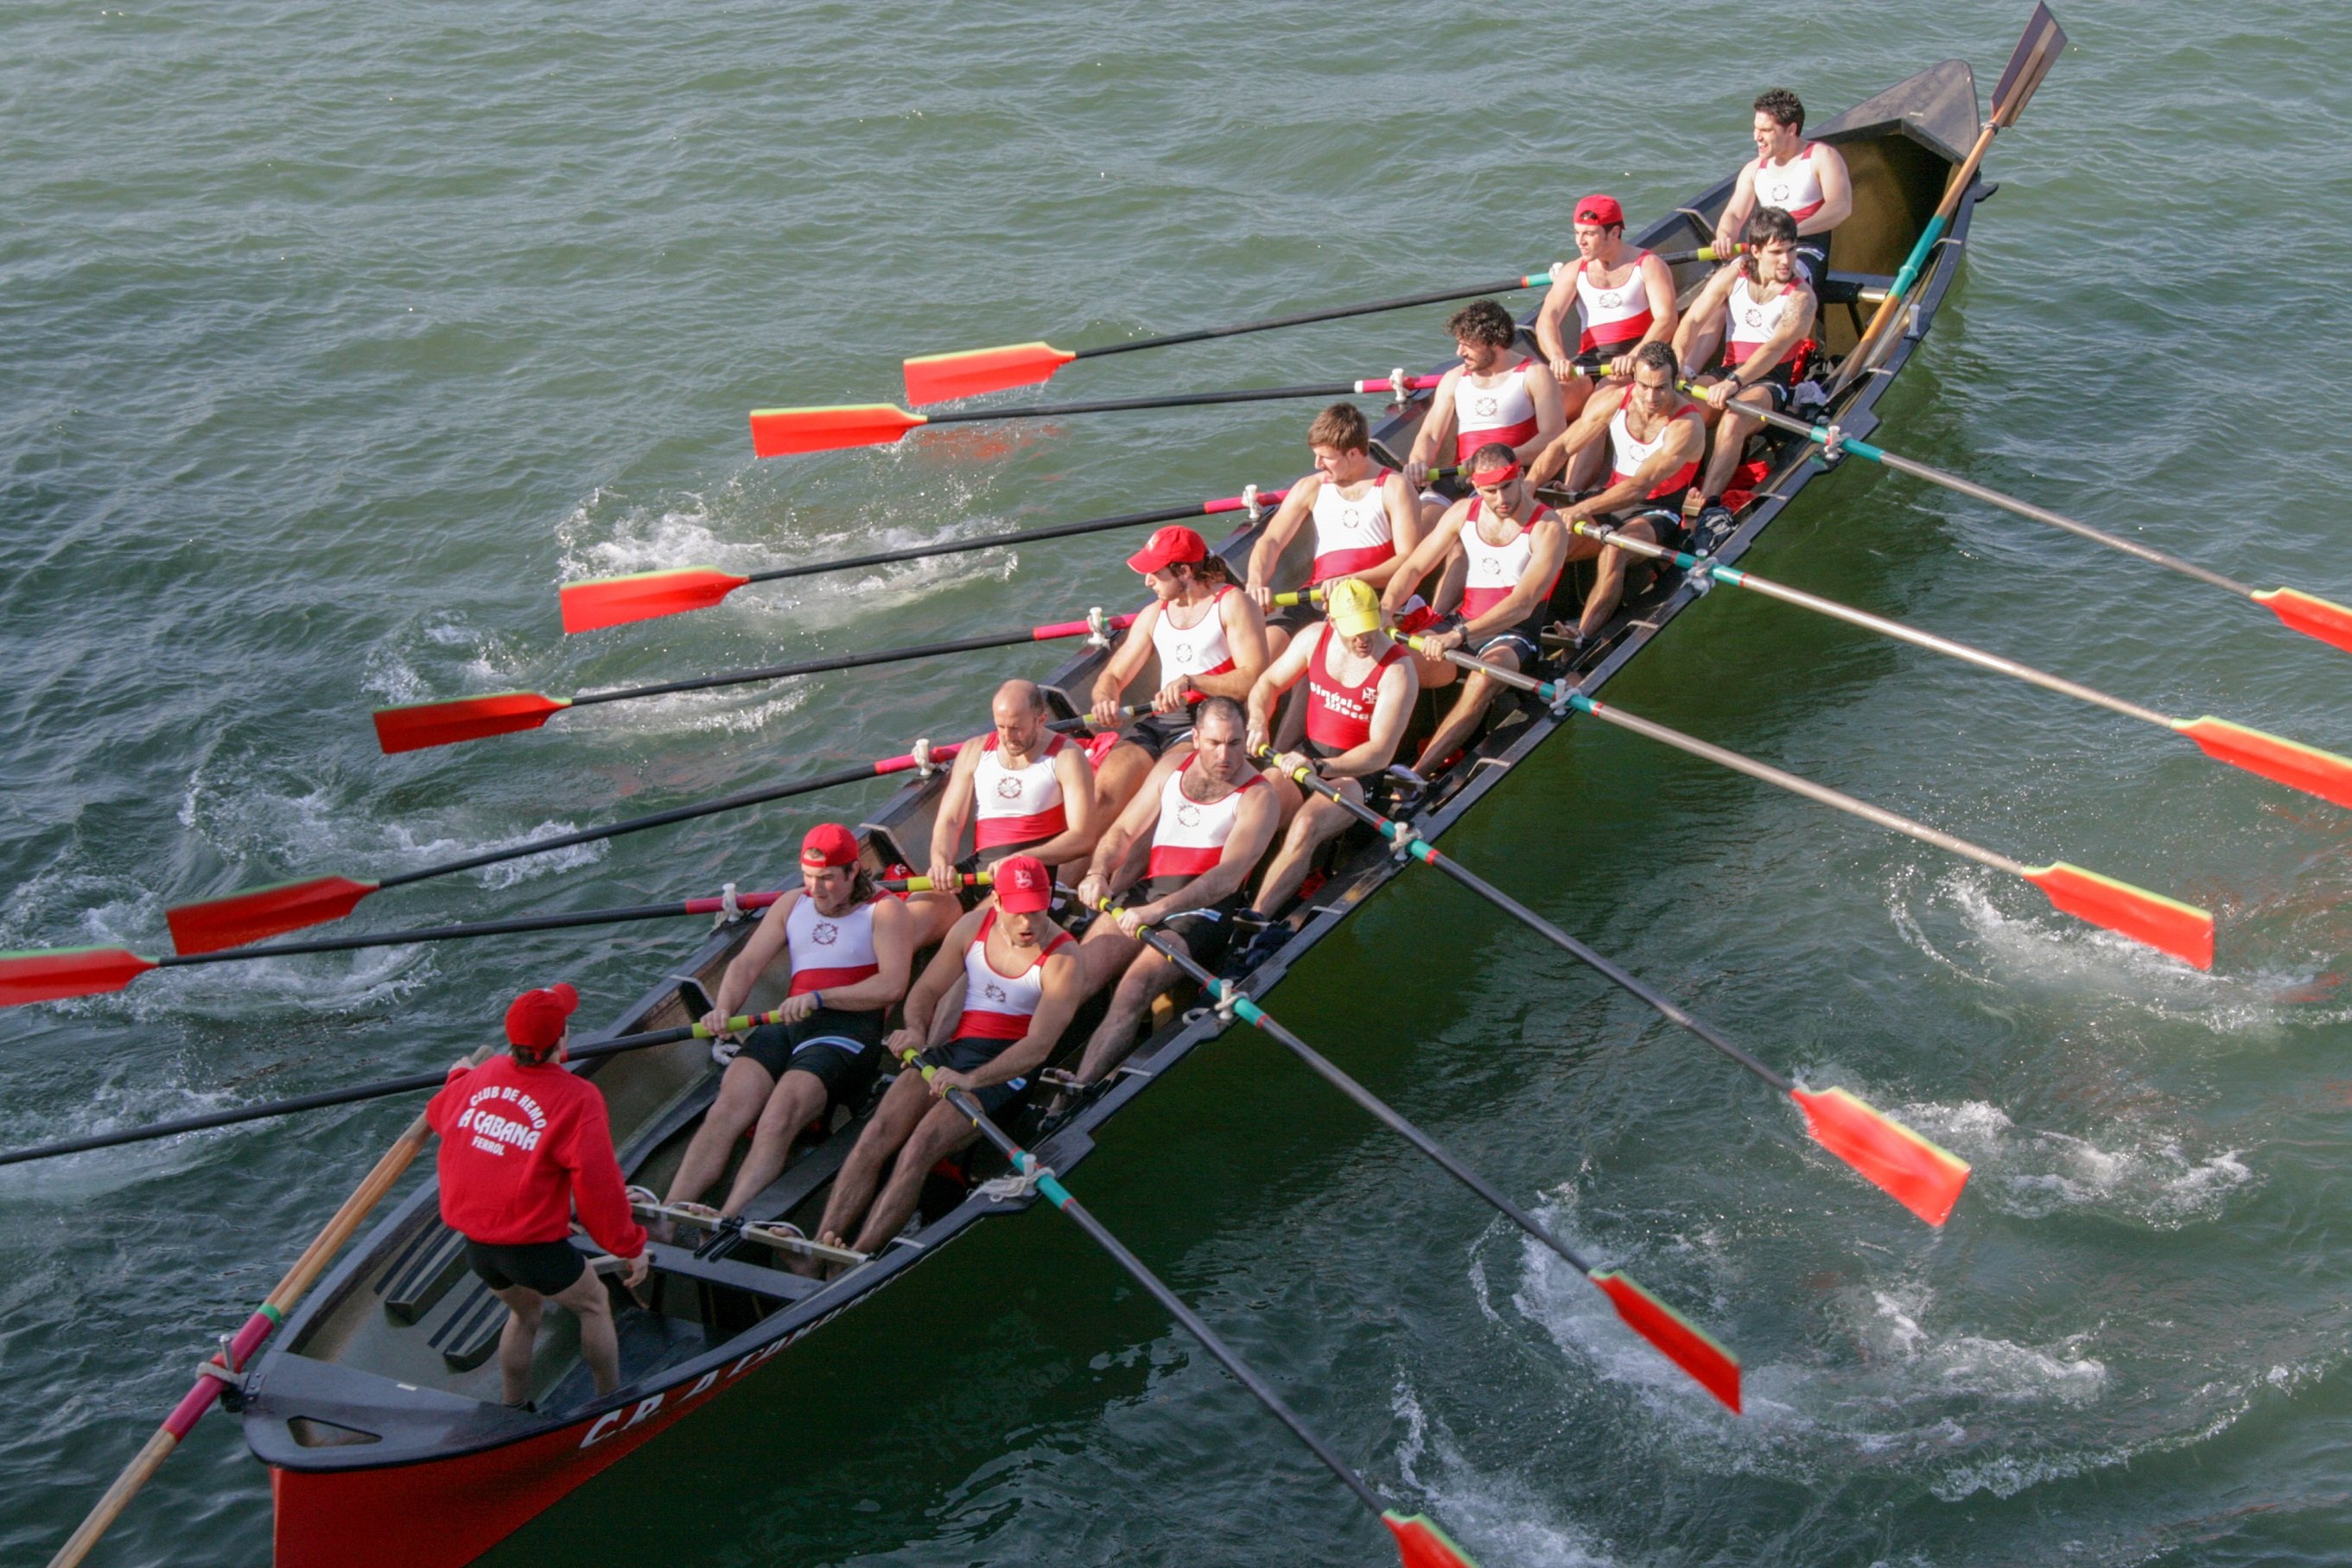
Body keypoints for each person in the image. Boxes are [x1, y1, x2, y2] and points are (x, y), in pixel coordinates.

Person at [815, 854, 1083, 1257]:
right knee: (875, 1135)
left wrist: (971, 1081)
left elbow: (1038, 1047)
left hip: (1007, 1069)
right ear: (996, 902)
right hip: (955, 1050)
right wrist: (917, 1033)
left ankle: (857, 1259)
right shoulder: (972, 927)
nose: (1028, 923)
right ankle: (821, 1246)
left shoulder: (1064, 958)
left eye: (1036, 910)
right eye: (1018, 912)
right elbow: (924, 992)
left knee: (919, 1148)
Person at [662, 823, 913, 1222]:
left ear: (854, 871)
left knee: (777, 1117)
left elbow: (892, 985)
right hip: (789, 1020)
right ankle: (667, 1216)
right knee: (729, 1107)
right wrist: (723, 1009)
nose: (816, 889)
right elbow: (745, 964)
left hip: (847, 1032)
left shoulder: (884, 910)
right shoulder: (791, 903)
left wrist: (821, 997)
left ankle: (727, 1222)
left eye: (828, 878)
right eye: (809, 877)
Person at [428, 982, 649, 1406]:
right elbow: (599, 1189)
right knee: (595, 1305)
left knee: (524, 1313)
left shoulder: (485, 1073)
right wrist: (629, 1245)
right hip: (534, 1250)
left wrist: (458, 1077)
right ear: (562, 1038)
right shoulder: (578, 1097)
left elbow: (441, 1113)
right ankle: (609, 1404)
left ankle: (513, 1409)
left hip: (479, 1249)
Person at [1067, 696, 1283, 1083]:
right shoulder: (1171, 766)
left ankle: (1079, 1089)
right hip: (1149, 893)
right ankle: (1010, 1073)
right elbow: (1123, 830)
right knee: (1074, 980)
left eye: (1235, 743)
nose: (1225, 755)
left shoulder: (1258, 796)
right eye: (1215, 743)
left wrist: (1157, 911)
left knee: (1134, 990)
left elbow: (1227, 878)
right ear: (1196, 737)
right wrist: (1098, 872)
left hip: (1205, 910)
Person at [1381, 444, 1567, 775]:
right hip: (1461, 625)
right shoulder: (1462, 512)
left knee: (1481, 680)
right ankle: (1373, 759)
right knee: (1394, 666)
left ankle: (1416, 775)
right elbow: (1414, 568)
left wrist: (1458, 635)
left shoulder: (1547, 527)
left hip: (1513, 636)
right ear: (1477, 487)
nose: (1501, 499)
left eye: (1508, 486)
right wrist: (1385, 608)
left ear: (1521, 476)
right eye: (1490, 491)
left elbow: (1523, 604)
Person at [1246, 577, 1419, 914]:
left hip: (1358, 775)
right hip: (1307, 756)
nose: (1363, 639)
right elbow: (1267, 684)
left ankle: (1256, 922)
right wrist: (1257, 720)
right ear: (1331, 618)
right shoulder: (1313, 638)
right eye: (1353, 630)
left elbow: (1380, 751)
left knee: (1305, 826)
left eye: (1369, 628)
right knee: (1254, 806)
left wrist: (1321, 769)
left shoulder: (1398, 668)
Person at [1527, 341, 1708, 647]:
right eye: (1644, 386)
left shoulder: (1687, 426)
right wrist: (1528, 486)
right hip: (1610, 499)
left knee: (1615, 549)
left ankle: (1581, 636)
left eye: (1661, 388)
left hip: (1658, 512)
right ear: (1634, 380)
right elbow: (1561, 447)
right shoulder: (1614, 400)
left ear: (1675, 383)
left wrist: (1581, 508)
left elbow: (1641, 486)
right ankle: (1523, 627)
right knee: (1543, 543)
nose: (1651, 397)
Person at [1087, 524, 1268, 826]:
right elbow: (1113, 676)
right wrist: (1104, 699)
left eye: (1155, 574)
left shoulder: (1232, 603)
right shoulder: (1153, 614)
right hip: (1161, 719)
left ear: (1184, 571)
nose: (1147, 582)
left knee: (1156, 797)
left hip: (1208, 722)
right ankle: (1067, 875)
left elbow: (1253, 677)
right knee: (1100, 798)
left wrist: (1192, 681)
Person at [906, 679, 1100, 947]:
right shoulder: (975, 750)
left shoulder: (1067, 757)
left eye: (1017, 729)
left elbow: (1084, 837)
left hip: (1028, 878)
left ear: (1041, 719)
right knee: (904, 925)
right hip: (978, 871)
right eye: (1001, 727)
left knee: (967, 939)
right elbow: (950, 820)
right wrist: (940, 862)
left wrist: (1022, 857)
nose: (1007, 738)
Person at [1675, 207, 1818, 537]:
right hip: (1729, 369)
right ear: (1755, 251)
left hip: (1770, 382)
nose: (1788, 260)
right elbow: (1693, 320)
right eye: (1777, 252)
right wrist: (1681, 363)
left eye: (1792, 250)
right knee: (1683, 411)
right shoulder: (1734, 273)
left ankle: (1705, 505)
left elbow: (1775, 348)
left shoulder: (1801, 297)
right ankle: (1668, 488)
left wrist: (1735, 382)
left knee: (1734, 421)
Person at [1244, 403, 1424, 661]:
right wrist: (1255, 582)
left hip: (1368, 598)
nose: (1318, 465)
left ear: (1353, 454)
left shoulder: (1395, 487)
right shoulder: (1311, 487)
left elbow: (1408, 560)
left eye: (1326, 458)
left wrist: (1352, 580)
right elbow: (1270, 541)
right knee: (1262, 653)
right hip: (1317, 594)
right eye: (1316, 456)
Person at [1533, 194, 1680, 456]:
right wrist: (1556, 357)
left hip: (1635, 362)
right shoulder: (1573, 270)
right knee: (1549, 402)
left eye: (1589, 234)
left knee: (1596, 408)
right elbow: (1548, 317)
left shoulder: (1648, 265)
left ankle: (1570, 489)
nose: (1580, 241)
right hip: (1588, 362)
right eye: (1577, 233)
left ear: (1614, 233)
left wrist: (1634, 356)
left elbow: (1666, 320)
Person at [1402, 300, 1564, 524]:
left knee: (1467, 525)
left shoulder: (1535, 374)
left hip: (1506, 479)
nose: (1459, 352)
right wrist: (1418, 462)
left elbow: (1553, 437)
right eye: (1459, 344)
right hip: (1460, 475)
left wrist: (1491, 461)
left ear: (1495, 342)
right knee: (1418, 523)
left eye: (1467, 345)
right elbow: (1430, 435)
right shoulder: (1454, 378)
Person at [1712, 87, 1851, 285]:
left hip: (1805, 250)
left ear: (1791, 130)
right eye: (1756, 128)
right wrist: (1724, 236)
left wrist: (1788, 234)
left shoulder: (1821, 156)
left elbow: (1840, 207)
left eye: (1766, 130)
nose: (1756, 137)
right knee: (1720, 284)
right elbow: (1734, 214)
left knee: (1777, 285)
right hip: (1765, 251)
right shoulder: (1753, 170)